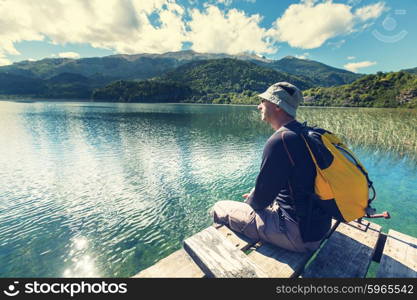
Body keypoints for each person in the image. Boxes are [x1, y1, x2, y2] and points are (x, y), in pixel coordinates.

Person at [212, 82, 332, 253]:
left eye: (263, 101)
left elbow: (259, 202)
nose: (259, 105)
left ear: (277, 106)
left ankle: (221, 258)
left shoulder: (280, 140)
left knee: (220, 207)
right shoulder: (306, 134)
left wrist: (254, 199)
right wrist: (260, 194)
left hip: (297, 235)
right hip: (318, 228)